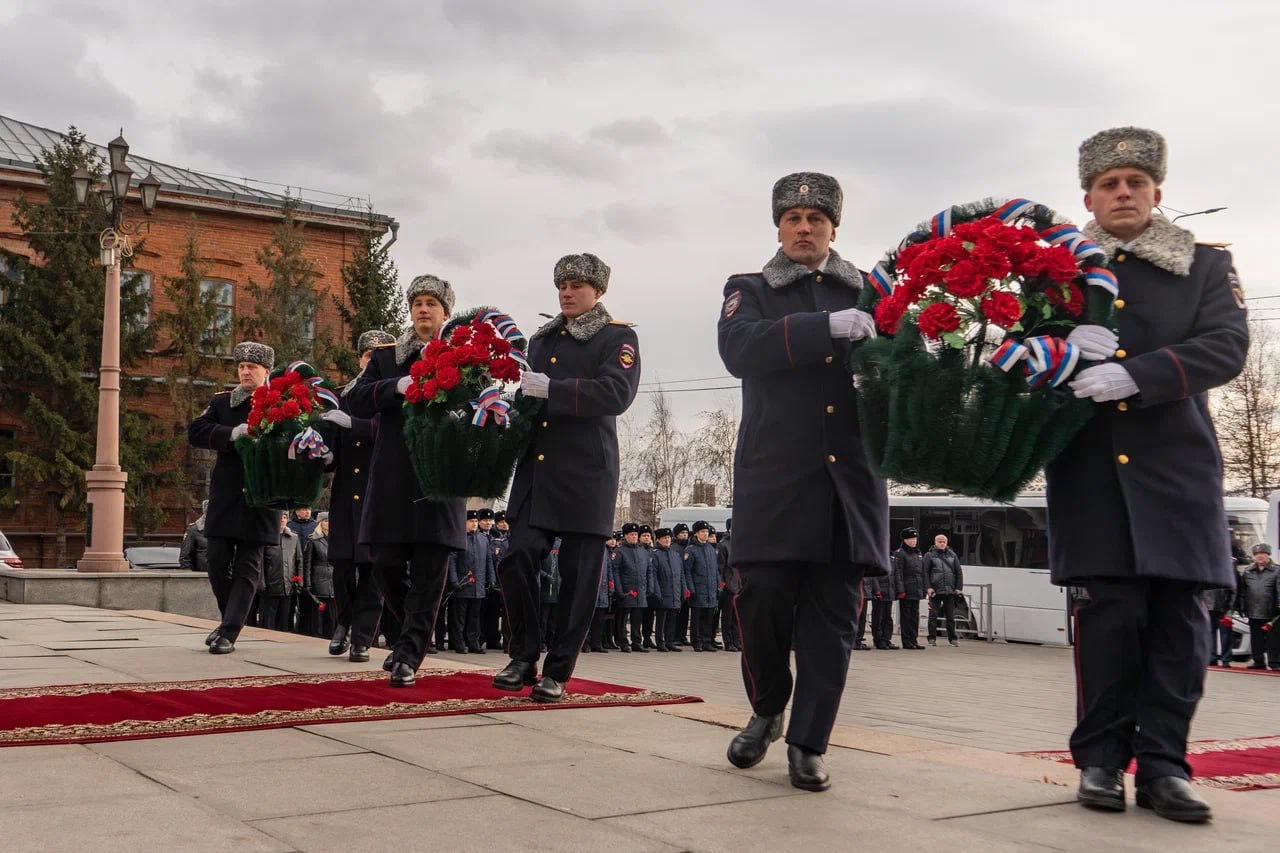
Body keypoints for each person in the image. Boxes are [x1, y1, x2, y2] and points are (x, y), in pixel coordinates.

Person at [1048, 127, 1249, 822]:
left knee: (1178, 622)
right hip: (1093, 470)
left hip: (1177, 467)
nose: (1124, 192)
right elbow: (1014, 349)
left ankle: (1165, 766)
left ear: (1157, 193)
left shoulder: (1202, 264)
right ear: (1090, 197)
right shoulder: (1060, 273)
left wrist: (1137, 373)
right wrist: (1058, 348)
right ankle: (1100, 760)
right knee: (1110, 618)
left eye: (1136, 181)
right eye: (1111, 183)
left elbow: (1226, 345)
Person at [717, 171, 887, 792]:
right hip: (776, 475)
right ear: (779, 228)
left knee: (834, 616)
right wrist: (827, 330)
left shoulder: (872, 289)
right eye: (793, 219)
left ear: (834, 229)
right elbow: (738, 348)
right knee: (760, 595)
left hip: (849, 480)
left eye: (817, 218)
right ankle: (768, 705)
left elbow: (907, 359)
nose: (805, 227)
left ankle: (809, 742)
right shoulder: (750, 288)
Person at [492, 252, 641, 702]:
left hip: (586, 475)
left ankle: (558, 669)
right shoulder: (542, 339)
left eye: (577, 285)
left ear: (598, 292)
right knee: (516, 557)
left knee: (578, 579)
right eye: (562, 285)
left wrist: (553, 391)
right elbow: (530, 397)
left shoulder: (617, 337)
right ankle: (523, 654)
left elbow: (617, 392)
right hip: (538, 471)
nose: (567, 292)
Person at [347, 274, 467, 687]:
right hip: (394, 479)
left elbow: (479, 404)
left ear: (445, 313)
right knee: (385, 563)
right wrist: (393, 387)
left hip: (439, 479)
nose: (423, 309)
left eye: (432, 303)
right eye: (417, 302)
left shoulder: (465, 356)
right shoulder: (386, 358)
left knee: (431, 571)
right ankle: (406, 638)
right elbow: (356, 399)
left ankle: (409, 655)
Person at [188, 341, 284, 654]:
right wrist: (231, 434)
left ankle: (229, 631)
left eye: (252, 367)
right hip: (226, 498)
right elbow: (196, 431)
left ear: (266, 371)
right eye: (241, 366)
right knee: (216, 562)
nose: (245, 371)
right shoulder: (223, 403)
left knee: (247, 568)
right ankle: (231, 619)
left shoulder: (282, 403)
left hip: (262, 498)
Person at [321, 329, 395, 661]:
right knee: (339, 564)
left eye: (375, 356)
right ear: (359, 358)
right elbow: (334, 444)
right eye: (366, 355)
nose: (369, 361)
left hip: (375, 490)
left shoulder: (389, 393)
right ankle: (344, 621)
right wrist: (323, 455)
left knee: (371, 568)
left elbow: (392, 433)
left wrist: (355, 425)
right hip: (344, 491)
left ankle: (363, 637)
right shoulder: (343, 394)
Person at [449, 510, 496, 654]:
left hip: (478, 585)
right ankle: (459, 643)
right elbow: (452, 561)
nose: (474, 524)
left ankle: (473, 643)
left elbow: (488, 560)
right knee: (460, 617)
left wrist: (491, 578)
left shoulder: (483, 539)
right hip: (463, 585)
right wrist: (454, 580)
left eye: (476, 521)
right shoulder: (459, 538)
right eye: (471, 521)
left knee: (475, 617)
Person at [1237, 544, 1278, 670]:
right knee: (1256, 638)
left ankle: (1274, 662)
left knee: (1274, 639)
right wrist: (1241, 607)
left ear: (1268, 554)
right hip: (1253, 609)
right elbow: (1243, 591)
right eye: (1256, 554)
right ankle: (1258, 661)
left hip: (1272, 611)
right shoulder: (1248, 571)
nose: (1259, 556)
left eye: (1263, 553)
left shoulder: (1277, 570)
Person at [261, 511, 303, 632]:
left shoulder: (294, 538)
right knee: (268, 620)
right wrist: (261, 583)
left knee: (284, 620)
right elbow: (261, 563)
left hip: (288, 585)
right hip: (271, 585)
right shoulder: (266, 537)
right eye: (280, 517)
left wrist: (299, 581)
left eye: (285, 517)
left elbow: (299, 561)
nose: (283, 520)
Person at [614, 522, 652, 653]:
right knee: (623, 618)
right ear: (625, 536)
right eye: (632, 534)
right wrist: (619, 590)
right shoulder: (620, 551)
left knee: (637, 618)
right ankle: (623, 642)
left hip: (640, 590)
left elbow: (649, 571)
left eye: (636, 534)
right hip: (627, 590)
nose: (635, 537)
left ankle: (637, 641)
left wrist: (649, 588)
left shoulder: (643, 551)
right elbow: (616, 571)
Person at [650, 527, 689, 652]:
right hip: (662, 591)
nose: (667, 540)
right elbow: (653, 575)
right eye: (664, 538)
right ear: (659, 540)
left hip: (675, 591)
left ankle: (669, 641)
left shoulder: (675, 555)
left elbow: (681, 574)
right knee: (661, 619)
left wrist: (683, 589)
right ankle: (660, 642)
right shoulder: (655, 554)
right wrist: (657, 592)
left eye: (668, 538)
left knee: (672, 618)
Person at [684, 521, 721, 652]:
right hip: (698, 589)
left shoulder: (711, 549)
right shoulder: (691, 550)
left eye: (707, 532)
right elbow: (687, 571)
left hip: (710, 589)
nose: (705, 534)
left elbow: (715, 569)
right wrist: (691, 588)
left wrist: (718, 584)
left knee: (708, 617)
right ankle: (697, 641)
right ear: (696, 533)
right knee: (697, 618)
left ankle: (706, 641)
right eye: (703, 532)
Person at [925, 534, 963, 647]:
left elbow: (958, 572)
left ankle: (952, 638)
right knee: (933, 615)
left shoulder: (952, 555)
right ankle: (932, 638)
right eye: (940, 541)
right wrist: (928, 587)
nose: (942, 544)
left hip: (950, 591)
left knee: (950, 616)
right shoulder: (929, 555)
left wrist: (958, 588)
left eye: (944, 542)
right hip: (935, 591)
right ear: (935, 542)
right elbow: (925, 573)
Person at [892, 528, 926, 650]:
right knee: (906, 616)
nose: (914, 541)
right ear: (905, 540)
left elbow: (921, 572)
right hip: (906, 588)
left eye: (915, 539)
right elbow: (898, 573)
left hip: (916, 588)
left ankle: (914, 639)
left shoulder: (918, 553)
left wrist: (924, 588)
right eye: (911, 539)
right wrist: (901, 590)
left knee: (914, 616)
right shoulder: (900, 553)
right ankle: (906, 641)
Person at [305, 513, 335, 638]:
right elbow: (308, 564)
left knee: (332, 614)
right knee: (318, 612)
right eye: (326, 521)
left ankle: (331, 635)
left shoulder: (336, 539)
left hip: (333, 581)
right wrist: (307, 583)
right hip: (319, 580)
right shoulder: (313, 540)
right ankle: (317, 635)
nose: (329, 523)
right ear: (320, 523)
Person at [584, 543, 618, 654]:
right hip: (590, 589)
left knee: (600, 620)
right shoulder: (588, 547)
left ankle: (597, 643)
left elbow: (609, 569)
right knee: (588, 620)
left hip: (603, 589)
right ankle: (586, 644)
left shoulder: (605, 551)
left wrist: (611, 585)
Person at [717, 519, 740, 652]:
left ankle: (737, 641)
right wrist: (723, 585)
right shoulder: (723, 545)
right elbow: (720, 567)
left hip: (739, 586)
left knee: (736, 617)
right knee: (727, 617)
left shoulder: (740, 543)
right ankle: (728, 642)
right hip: (728, 587)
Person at [539, 540, 562, 652]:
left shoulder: (560, 544)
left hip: (557, 588)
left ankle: (551, 642)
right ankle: (541, 642)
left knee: (553, 620)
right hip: (545, 588)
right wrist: (545, 575)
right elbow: (536, 565)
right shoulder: (542, 544)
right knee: (543, 619)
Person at [179, 500, 209, 573]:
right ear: (205, 512)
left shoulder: (223, 530)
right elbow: (185, 557)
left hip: (221, 577)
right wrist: (190, 577)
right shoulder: (194, 530)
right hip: (201, 576)